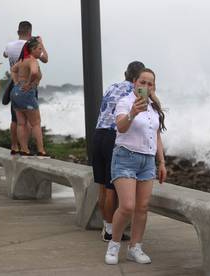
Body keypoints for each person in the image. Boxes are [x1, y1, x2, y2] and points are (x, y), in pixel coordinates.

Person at [104, 68, 167, 265]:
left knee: (142, 207)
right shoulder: (125, 102)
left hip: (147, 161)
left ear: (153, 87)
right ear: (134, 83)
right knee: (128, 206)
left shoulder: (153, 107)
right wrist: (132, 113)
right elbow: (121, 127)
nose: (146, 86)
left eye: (150, 84)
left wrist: (162, 162)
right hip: (125, 157)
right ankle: (114, 245)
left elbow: (156, 135)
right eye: (142, 82)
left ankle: (135, 247)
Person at [93, 61, 145, 242]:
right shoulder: (135, 91)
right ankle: (110, 231)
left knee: (101, 185)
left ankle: (106, 226)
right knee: (111, 188)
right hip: (112, 137)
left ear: (125, 73)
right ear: (137, 78)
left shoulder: (112, 87)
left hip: (98, 134)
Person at [3, 21, 48, 155]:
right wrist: (29, 83)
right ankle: (39, 150)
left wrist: (17, 82)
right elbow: (44, 60)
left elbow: (7, 60)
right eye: (38, 48)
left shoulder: (11, 48)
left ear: (18, 32)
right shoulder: (32, 53)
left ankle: (18, 147)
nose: (39, 50)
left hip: (15, 88)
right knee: (34, 122)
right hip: (27, 90)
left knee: (17, 121)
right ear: (30, 32)